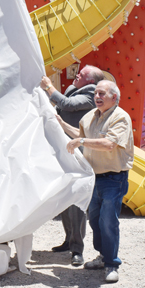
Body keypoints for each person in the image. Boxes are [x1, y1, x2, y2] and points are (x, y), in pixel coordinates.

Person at [65, 80, 133, 283]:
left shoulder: (121, 117)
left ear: (114, 97)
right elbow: (80, 135)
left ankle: (112, 264)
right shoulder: (90, 117)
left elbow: (109, 144)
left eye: (102, 93)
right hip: (94, 178)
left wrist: (82, 142)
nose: (97, 96)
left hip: (114, 178)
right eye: (96, 93)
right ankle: (104, 256)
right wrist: (60, 124)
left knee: (108, 221)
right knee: (95, 220)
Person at [41, 65, 104, 266]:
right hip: (63, 150)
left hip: (78, 153)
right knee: (65, 198)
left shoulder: (90, 94)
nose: (77, 74)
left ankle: (78, 249)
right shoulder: (72, 89)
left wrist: (49, 87)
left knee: (76, 201)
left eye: (82, 74)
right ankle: (69, 241)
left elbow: (67, 104)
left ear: (91, 82)